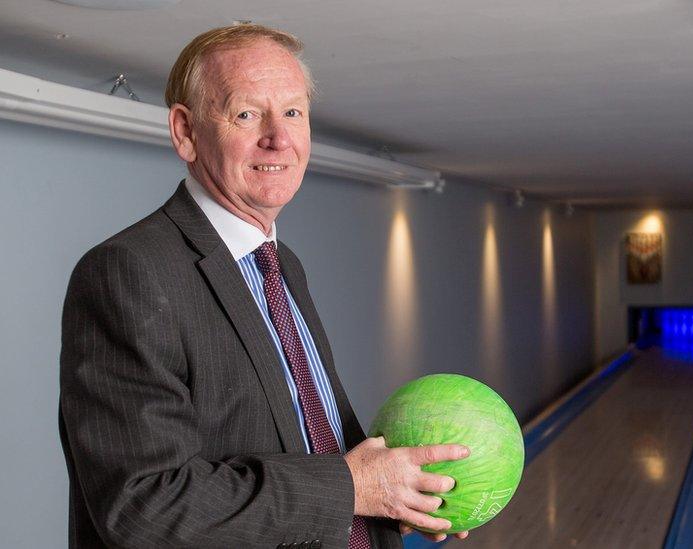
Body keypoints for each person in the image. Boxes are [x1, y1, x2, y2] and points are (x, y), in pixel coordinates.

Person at [59, 24, 470, 549]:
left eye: (294, 112)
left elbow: (311, 439)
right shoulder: (128, 272)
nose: (279, 137)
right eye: (247, 113)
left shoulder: (281, 265)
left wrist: (406, 492)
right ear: (185, 132)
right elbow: (144, 506)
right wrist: (354, 487)